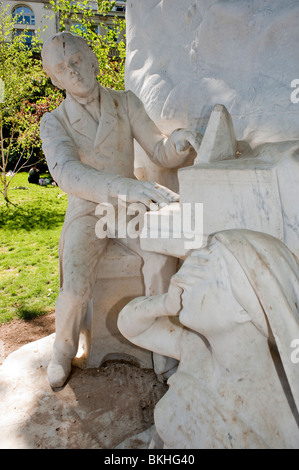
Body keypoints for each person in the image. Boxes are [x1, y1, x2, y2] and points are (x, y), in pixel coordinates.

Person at [39, 32, 202, 388]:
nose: (74, 70)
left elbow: (158, 149)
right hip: (88, 212)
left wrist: (177, 145)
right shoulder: (54, 122)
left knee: (161, 257)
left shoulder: (124, 102)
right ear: (55, 80)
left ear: (93, 59)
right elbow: (68, 172)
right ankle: (62, 351)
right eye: (63, 68)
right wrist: (125, 187)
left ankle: (162, 347)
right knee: (75, 285)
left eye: (78, 59)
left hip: (131, 210)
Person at [118, 229, 299, 448]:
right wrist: (165, 303)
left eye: (199, 276)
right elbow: (132, 327)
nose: (179, 281)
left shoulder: (284, 415)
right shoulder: (198, 345)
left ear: (246, 308)